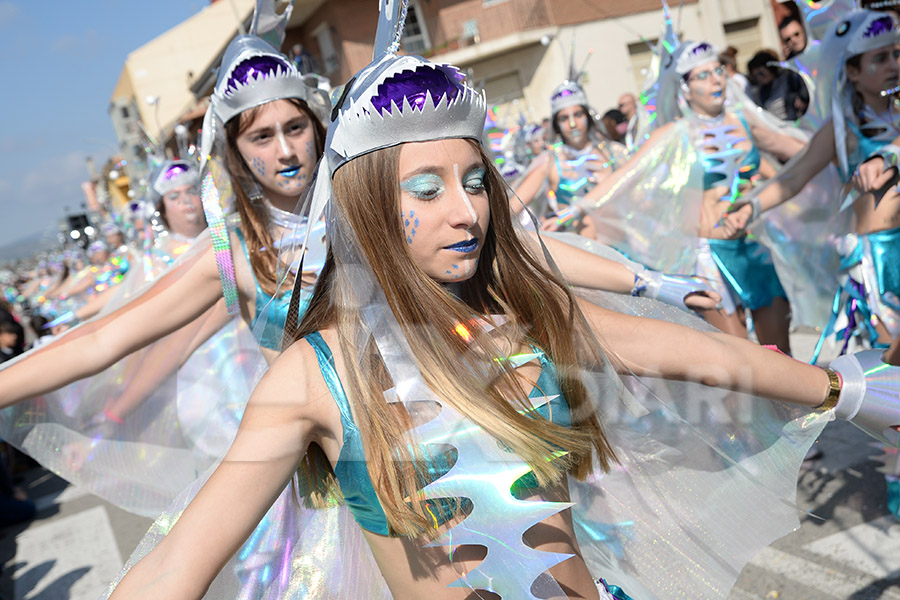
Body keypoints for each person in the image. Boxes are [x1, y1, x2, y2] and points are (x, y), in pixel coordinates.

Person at [107, 6, 900, 598]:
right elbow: (181, 561)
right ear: (369, 210)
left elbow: (698, 353)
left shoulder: (517, 314)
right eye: (428, 188)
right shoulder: (315, 378)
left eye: (476, 180)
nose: (469, 210)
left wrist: (850, 389)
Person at [572, 41, 805, 353]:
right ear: (684, 88)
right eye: (703, 75)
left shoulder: (744, 121)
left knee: (781, 353)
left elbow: (797, 151)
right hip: (708, 257)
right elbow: (624, 177)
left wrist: (843, 152)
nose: (716, 80)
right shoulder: (676, 133)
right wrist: (572, 210)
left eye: (718, 71)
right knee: (743, 365)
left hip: (751, 249)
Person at [725, 10, 900, 360]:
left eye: (897, 54)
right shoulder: (842, 129)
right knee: (890, 366)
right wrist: (752, 205)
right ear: (851, 71)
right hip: (875, 263)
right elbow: (793, 177)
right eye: (879, 58)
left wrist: (889, 156)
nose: (893, 64)